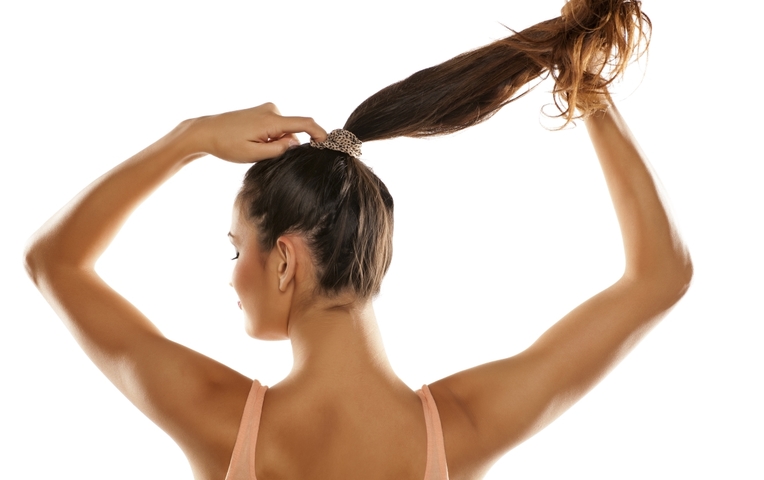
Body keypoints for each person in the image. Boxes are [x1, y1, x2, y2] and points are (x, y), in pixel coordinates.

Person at [23, 0, 692, 479]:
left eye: (236, 248)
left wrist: (190, 137)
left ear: (284, 262)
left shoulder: (216, 421)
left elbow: (54, 261)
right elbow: (660, 277)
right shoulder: (462, 429)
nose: (230, 274)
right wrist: (582, 78)